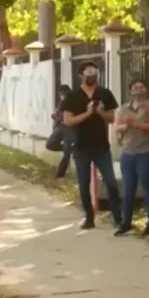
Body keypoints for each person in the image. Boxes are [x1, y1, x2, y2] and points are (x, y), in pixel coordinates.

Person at [61, 61, 123, 229]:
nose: (92, 76)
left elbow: (113, 119)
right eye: (88, 73)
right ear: (81, 75)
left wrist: (101, 112)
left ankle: (118, 217)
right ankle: (89, 216)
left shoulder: (104, 93)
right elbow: (68, 121)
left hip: (101, 146)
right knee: (83, 183)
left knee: (110, 181)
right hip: (81, 146)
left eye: (95, 73)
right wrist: (87, 113)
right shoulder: (72, 96)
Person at [114, 78, 149, 237]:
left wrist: (136, 124)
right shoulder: (123, 109)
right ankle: (126, 222)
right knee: (127, 189)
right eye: (135, 87)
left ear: (146, 90)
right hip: (128, 153)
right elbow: (117, 128)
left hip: (145, 151)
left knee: (148, 188)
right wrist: (125, 126)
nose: (138, 89)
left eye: (141, 86)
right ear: (130, 90)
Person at [53, 84, 74, 178]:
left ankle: (60, 173)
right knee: (50, 144)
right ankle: (71, 148)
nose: (61, 96)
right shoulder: (62, 102)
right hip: (61, 127)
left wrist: (57, 117)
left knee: (66, 153)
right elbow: (58, 114)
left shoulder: (72, 102)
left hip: (69, 128)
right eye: (60, 94)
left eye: (62, 94)